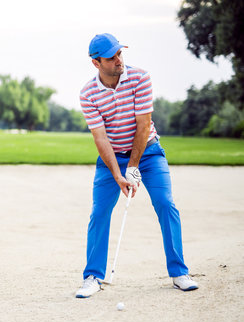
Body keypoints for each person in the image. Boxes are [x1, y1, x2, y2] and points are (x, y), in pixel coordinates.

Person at [75, 33, 198, 298]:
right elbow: (101, 138)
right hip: (112, 157)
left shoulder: (140, 77)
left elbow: (143, 126)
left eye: (120, 53)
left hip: (149, 153)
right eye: (111, 57)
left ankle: (179, 272)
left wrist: (133, 166)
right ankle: (93, 277)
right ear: (97, 63)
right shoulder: (88, 94)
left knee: (166, 204)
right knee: (99, 213)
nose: (119, 59)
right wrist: (119, 174)